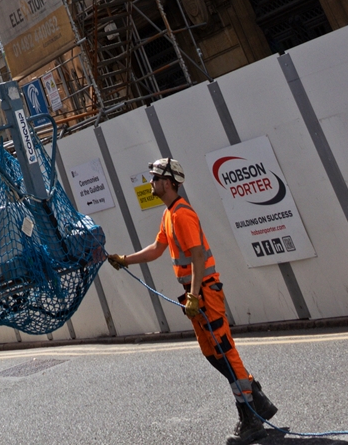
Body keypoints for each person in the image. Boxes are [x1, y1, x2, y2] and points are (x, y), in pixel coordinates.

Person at [107, 156, 279, 444]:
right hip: (196, 295)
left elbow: (198, 257)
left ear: (169, 183)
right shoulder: (169, 215)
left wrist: (195, 296)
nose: (151, 183)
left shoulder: (182, 215)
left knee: (224, 351)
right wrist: (125, 260)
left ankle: (251, 418)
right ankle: (256, 398)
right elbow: (156, 249)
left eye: (155, 178)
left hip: (204, 293)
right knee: (212, 354)